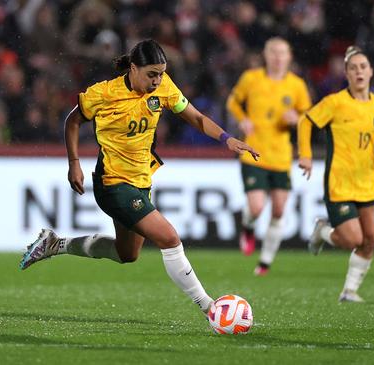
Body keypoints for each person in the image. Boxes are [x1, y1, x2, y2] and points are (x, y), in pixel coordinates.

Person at [19, 39, 258, 314]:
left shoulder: (164, 86)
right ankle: (211, 309)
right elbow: (72, 121)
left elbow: (195, 117)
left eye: (161, 73)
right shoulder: (105, 93)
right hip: (113, 184)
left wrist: (226, 138)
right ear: (133, 69)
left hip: (141, 181)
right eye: (151, 74)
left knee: (127, 254)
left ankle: (54, 244)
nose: (157, 81)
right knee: (169, 238)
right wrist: (74, 162)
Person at [297, 46, 374, 302]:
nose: (358, 71)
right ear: (346, 74)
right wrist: (305, 154)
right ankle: (322, 230)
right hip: (340, 182)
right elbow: (306, 121)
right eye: (353, 68)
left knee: (370, 239)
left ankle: (349, 291)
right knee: (352, 239)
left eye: (363, 67)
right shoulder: (335, 103)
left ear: (371, 72)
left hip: (368, 182)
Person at [226, 37, 311, 275]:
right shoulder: (251, 78)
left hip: (281, 156)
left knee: (279, 211)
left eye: (282, 52)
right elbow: (233, 101)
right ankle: (248, 227)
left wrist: (297, 119)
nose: (277, 56)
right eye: (273, 51)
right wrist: (242, 119)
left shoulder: (296, 85)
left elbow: (308, 116)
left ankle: (264, 262)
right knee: (256, 208)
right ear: (265, 54)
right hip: (253, 152)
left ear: (289, 56)